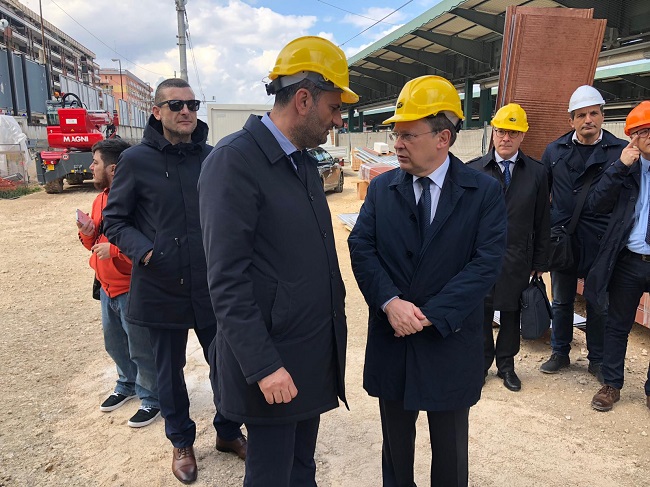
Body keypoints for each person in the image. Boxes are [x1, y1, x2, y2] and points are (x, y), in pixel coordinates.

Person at [197, 36, 352, 487]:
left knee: (302, 466)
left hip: (307, 353)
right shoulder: (234, 162)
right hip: (273, 363)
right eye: (333, 108)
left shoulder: (300, 163)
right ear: (303, 99)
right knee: (271, 474)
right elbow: (226, 280)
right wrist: (264, 366)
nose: (338, 120)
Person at [348, 75, 507, 486]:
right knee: (396, 447)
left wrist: (430, 314)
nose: (397, 143)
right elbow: (361, 248)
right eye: (395, 134)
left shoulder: (483, 191)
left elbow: (485, 263)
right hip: (393, 336)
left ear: (444, 138)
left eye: (408, 135)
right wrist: (389, 303)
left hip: (448, 338)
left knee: (451, 448)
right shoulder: (383, 189)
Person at [103, 78, 246, 485]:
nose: (186, 112)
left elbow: (233, 212)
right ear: (157, 111)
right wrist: (148, 252)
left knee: (227, 363)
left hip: (212, 283)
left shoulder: (213, 157)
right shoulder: (135, 160)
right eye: (175, 105)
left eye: (192, 104)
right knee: (169, 372)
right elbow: (115, 221)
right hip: (161, 284)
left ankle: (229, 430)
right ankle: (181, 442)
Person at [540, 85, 626, 382]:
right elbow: (543, 195)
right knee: (562, 300)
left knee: (598, 303)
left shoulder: (620, 150)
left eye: (593, 113)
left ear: (602, 116)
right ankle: (560, 352)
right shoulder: (554, 151)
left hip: (602, 240)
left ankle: (597, 360)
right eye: (581, 115)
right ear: (571, 120)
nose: (588, 119)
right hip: (564, 239)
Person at [77, 138, 160, 427]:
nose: (91, 167)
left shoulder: (136, 201)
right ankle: (127, 384)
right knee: (114, 342)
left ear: (113, 168)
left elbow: (147, 248)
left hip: (131, 287)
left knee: (142, 347)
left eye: (95, 163)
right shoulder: (100, 198)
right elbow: (92, 243)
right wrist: (87, 232)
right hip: (107, 286)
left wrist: (114, 251)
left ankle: (151, 397)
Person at [468, 103, 550, 392]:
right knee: (480, 311)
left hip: (518, 257)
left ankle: (507, 366)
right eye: (501, 131)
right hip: (480, 258)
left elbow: (543, 219)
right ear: (493, 132)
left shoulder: (537, 173)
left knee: (512, 312)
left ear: (522, 136)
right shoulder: (474, 171)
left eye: (513, 132)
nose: (506, 137)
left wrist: (539, 260)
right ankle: (480, 364)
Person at [584, 101, 650, 412]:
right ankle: (611, 384)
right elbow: (596, 203)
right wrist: (621, 165)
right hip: (627, 260)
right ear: (631, 138)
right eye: (641, 132)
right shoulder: (625, 168)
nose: (647, 136)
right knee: (617, 323)